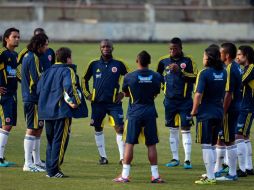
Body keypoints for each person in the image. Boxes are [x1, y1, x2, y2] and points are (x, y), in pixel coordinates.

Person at [113, 51, 164, 183]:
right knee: (151, 144)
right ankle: (155, 175)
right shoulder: (156, 76)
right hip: (150, 112)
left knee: (129, 143)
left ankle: (125, 175)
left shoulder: (130, 77)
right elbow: (157, 91)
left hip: (134, 113)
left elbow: (126, 92)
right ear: (149, 62)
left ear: (137, 61)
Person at [37, 47, 87, 178]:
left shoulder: (46, 72)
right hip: (61, 111)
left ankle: (49, 169)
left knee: (51, 141)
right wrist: (76, 101)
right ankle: (53, 171)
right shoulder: (67, 70)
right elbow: (70, 86)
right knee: (60, 141)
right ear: (68, 58)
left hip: (46, 112)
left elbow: (38, 90)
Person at [82, 39, 128, 164]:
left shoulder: (119, 64)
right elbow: (84, 79)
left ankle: (122, 157)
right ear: (100, 48)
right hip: (98, 103)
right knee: (98, 128)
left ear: (113, 48)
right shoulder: (94, 64)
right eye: (103, 46)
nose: (106, 48)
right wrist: (87, 94)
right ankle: (103, 157)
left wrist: (124, 93)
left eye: (108, 46)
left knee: (120, 128)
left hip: (114, 103)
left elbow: (131, 78)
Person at [157, 37, 197, 169]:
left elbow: (195, 77)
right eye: (170, 48)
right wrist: (163, 89)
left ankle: (187, 160)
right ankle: (175, 158)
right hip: (169, 101)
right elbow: (157, 77)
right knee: (172, 130)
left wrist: (180, 71)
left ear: (181, 48)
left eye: (175, 48)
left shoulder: (188, 61)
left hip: (185, 101)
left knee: (185, 129)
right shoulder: (163, 61)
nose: (172, 51)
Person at [191, 47, 227, 185]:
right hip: (218, 111)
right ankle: (212, 173)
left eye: (204, 56)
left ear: (208, 58)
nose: (203, 59)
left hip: (205, 112)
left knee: (206, 145)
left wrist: (194, 110)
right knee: (212, 144)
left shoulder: (204, 73)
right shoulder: (223, 72)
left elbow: (198, 94)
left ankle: (210, 177)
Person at [21, 33, 49, 172]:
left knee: (38, 129)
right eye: (45, 45)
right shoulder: (32, 58)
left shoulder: (30, 56)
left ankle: (37, 161)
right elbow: (36, 79)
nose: (46, 48)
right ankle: (28, 163)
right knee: (32, 129)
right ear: (39, 45)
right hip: (33, 98)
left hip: (35, 98)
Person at [214, 43, 241, 181]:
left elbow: (228, 93)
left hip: (229, 109)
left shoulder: (230, 68)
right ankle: (217, 169)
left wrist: (222, 112)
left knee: (229, 140)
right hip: (236, 106)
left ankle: (232, 173)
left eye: (221, 53)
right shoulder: (237, 66)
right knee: (222, 137)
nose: (219, 56)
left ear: (227, 55)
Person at [0, 28, 20, 167]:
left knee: (8, 124)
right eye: (14, 37)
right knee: (6, 124)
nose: (17, 39)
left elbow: (15, 72)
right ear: (6, 38)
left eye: (18, 37)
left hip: (12, 94)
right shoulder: (2, 53)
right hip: (4, 95)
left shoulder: (15, 55)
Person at [235, 45, 254, 177]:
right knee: (245, 136)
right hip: (245, 106)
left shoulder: (251, 67)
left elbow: (240, 81)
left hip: (248, 107)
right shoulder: (245, 68)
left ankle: (242, 169)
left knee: (239, 135)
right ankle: (249, 167)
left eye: (239, 55)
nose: (237, 57)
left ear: (246, 56)